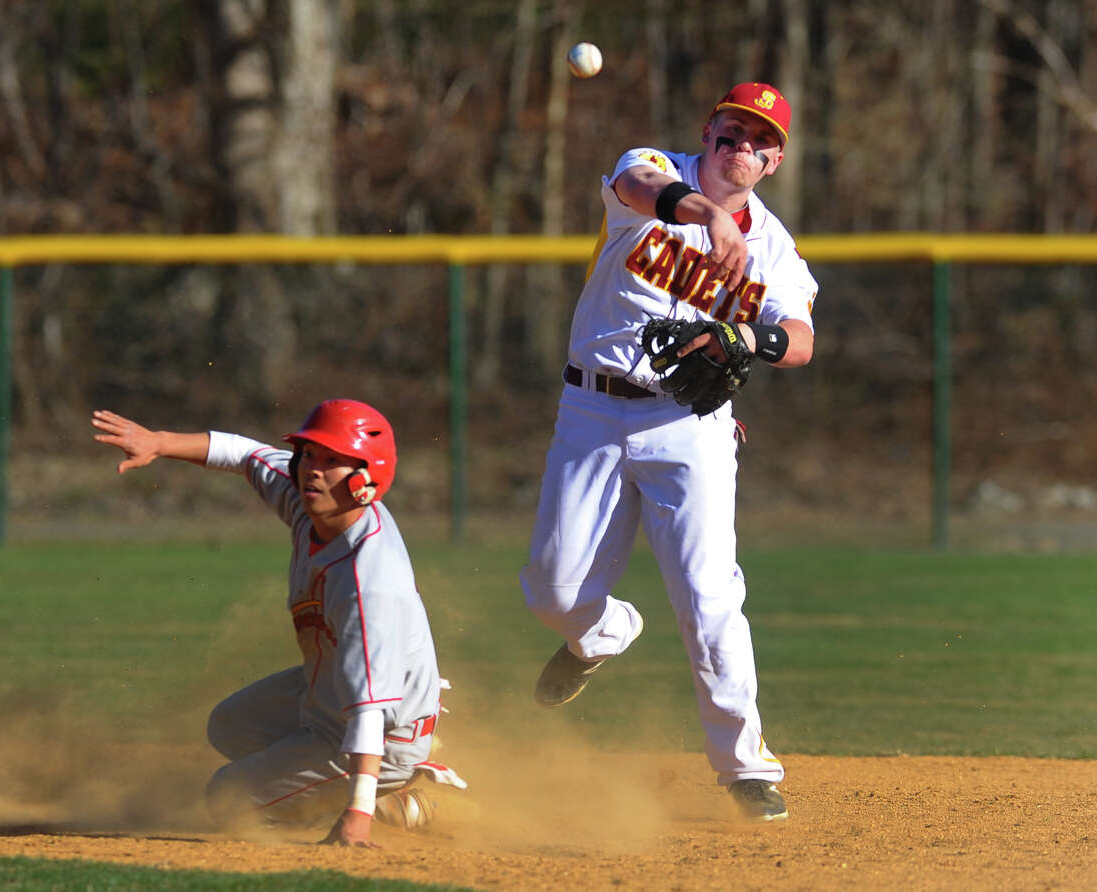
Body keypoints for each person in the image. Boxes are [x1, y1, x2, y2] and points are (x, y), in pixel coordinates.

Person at [521, 82, 817, 822]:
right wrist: (708, 213)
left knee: (709, 595)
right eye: (730, 130)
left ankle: (746, 767)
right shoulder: (654, 168)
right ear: (708, 130)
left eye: (757, 140)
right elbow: (637, 183)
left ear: (773, 159)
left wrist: (746, 337)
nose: (739, 146)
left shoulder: (774, 248)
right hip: (593, 405)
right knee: (553, 589)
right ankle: (602, 634)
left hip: (692, 423)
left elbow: (802, 339)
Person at [92, 399, 465, 846]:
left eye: (332, 461)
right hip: (327, 692)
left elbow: (367, 713)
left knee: (226, 798)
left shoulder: (370, 580)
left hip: (384, 732)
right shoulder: (312, 503)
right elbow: (244, 455)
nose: (313, 469)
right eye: (309, 454)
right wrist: (159, 443)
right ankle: (373, 793)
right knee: (229, 726)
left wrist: (357, 817)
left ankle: (382, 786)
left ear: (366, 479)